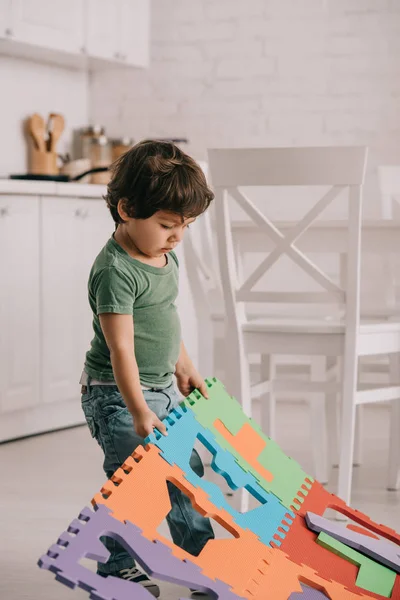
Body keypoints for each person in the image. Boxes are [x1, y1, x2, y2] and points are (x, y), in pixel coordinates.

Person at [79, 139, 215, 598]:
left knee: (186, 469)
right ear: (126, 210)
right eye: (167, 225)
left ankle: (204, 562)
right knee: (141, 480)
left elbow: (164, 322)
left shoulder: (163, 255)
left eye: (186, 226)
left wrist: (185, 365)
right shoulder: (116, 270)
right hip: (115, 395)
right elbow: (121, 350)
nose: (178, 236)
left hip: (159, 389)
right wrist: (138, 409)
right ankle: (115, 565)